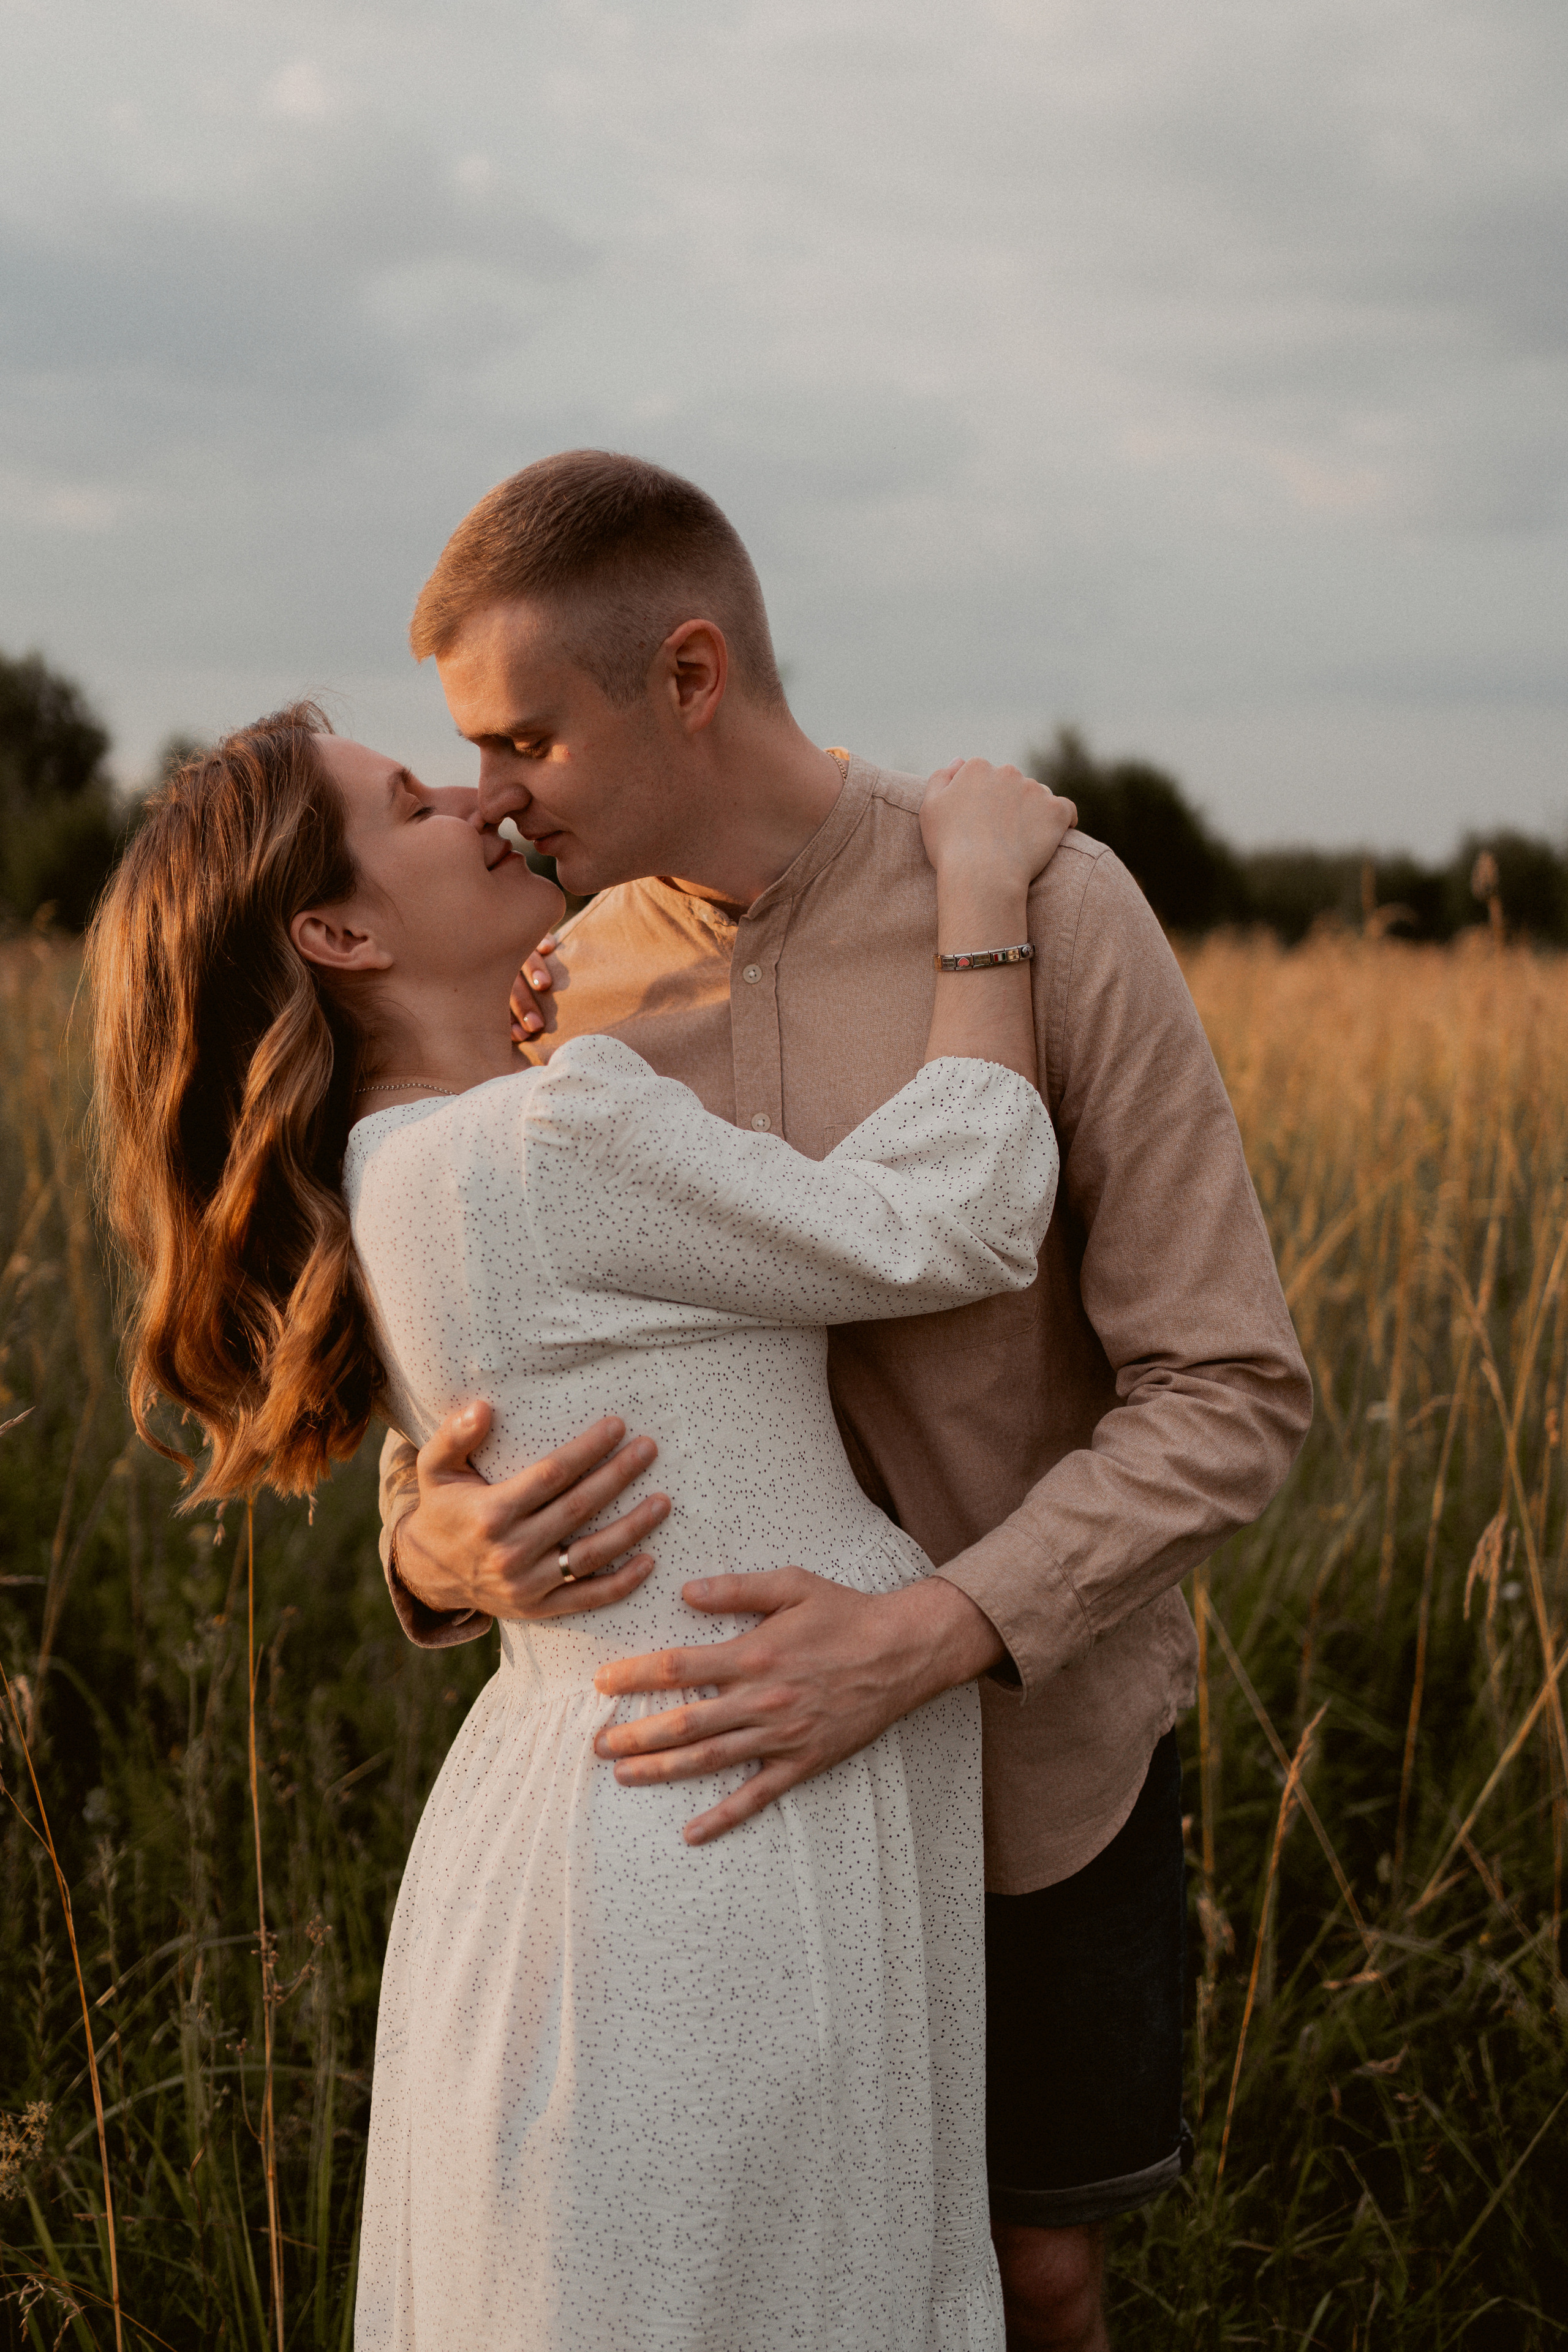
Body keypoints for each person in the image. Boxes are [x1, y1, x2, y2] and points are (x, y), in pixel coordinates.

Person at [377, 452, 1314, 2350]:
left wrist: (933, 1633)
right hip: (720, 1823)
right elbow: (505, 1308)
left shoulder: (1056, 910)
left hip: (1039, 1772)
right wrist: (425, 1539)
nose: (486, 803)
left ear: (693, 675)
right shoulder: (565, 994)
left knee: (1032, 2277)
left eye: (524, 742)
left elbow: (1231, 1385)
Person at [85, 701, 1079, 2349]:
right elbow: (956, 1226)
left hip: (648, 1805)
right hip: (714, 1841)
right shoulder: (545, 1137)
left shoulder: (419, 1152)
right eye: (412, 805)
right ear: (338, 930)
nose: (477, 801)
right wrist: (981, 899)